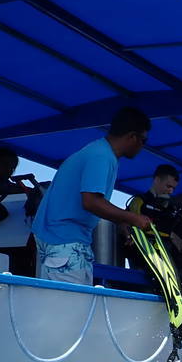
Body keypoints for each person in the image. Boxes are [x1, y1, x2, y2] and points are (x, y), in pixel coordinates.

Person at [31, 107, 152, 284]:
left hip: (65, 240)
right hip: (65, 240)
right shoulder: (102, 156)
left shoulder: (100, 152)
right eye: (144, 140)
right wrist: (133, 217)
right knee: (68, 308)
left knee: (70, 306)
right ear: (132, 137)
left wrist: (121, 221)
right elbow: (91, 201)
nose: (143, 146)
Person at [0, 146, 40, 276]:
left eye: (13, 167)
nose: (10, 170)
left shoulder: (6, 184)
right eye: (6, 165)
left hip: (11, 241)